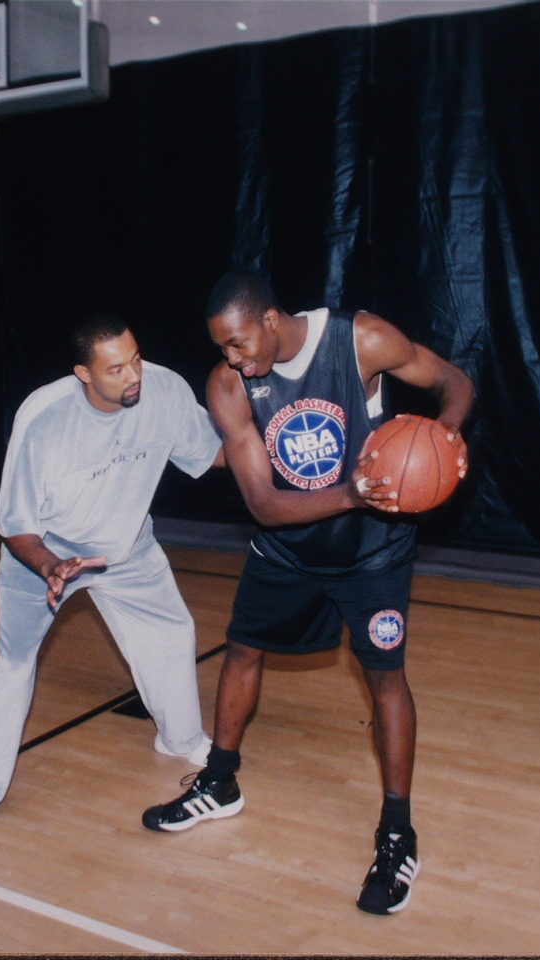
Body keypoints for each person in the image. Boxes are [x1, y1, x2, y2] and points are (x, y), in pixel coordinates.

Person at [142, 271, 474, 916]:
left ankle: (398, 833)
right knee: (241, 652)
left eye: (238, 343)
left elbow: (455, 380)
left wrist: (447, 433)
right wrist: (351, 490)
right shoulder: (228, 385)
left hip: (373, 552)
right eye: (222, 348)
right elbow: (265, 505)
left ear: (270, 319)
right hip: (287, 549)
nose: (232, 358)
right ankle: (220, 781)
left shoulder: (362, 340)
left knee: (385, 679)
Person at [0, 314, 224, 854]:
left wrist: (272, 444)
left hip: (128, 547)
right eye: (115, 368)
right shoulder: (44, 418)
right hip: (47, 555)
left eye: (135, 357)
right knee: (11, 668)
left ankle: (182, 738)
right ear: (83, 374)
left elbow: (211, 450)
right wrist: (50, 565)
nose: (133, 374)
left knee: (171, 631)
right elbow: (16, 526)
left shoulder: (164, 389)